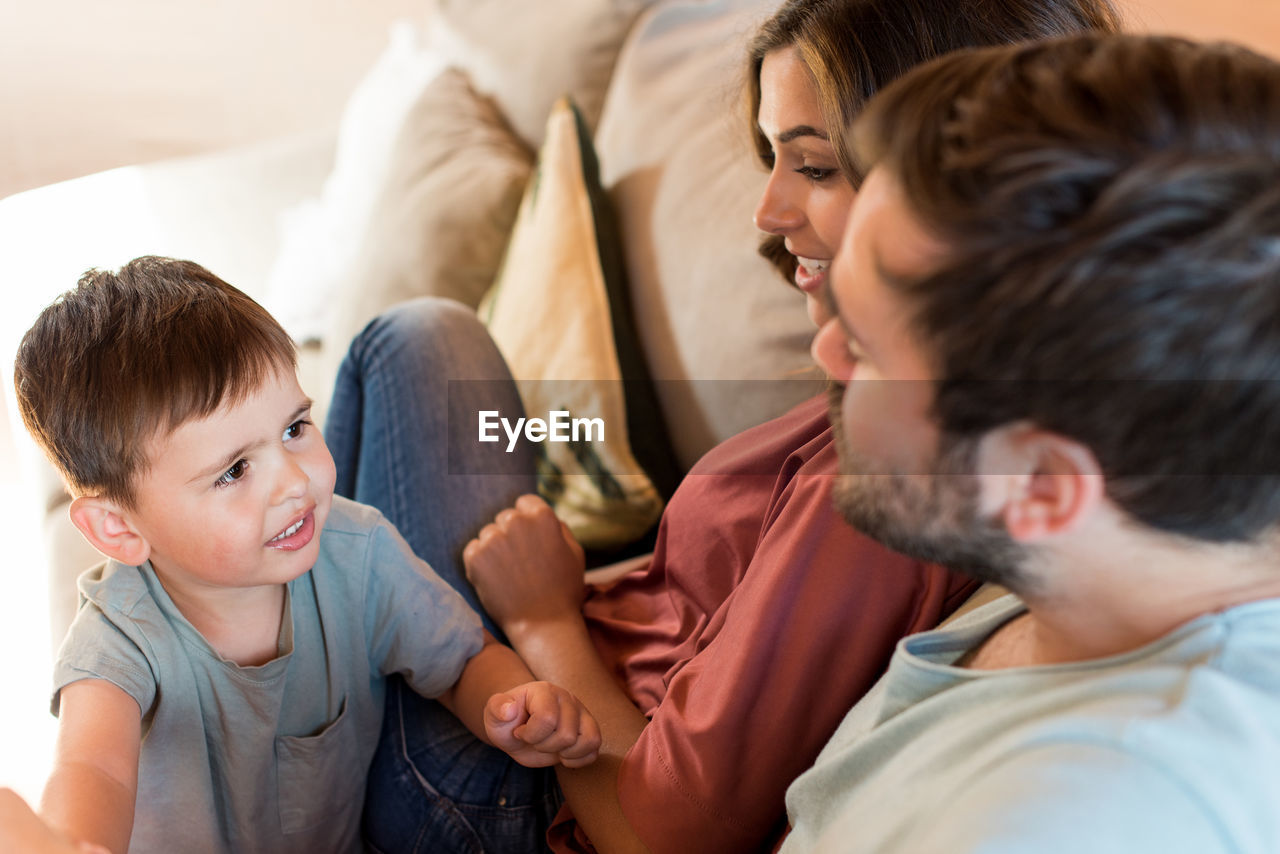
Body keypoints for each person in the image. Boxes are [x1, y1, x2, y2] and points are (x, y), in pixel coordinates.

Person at [329, 1, 1123, 852]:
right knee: (426, 396)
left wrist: (545, 619)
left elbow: (657, 831)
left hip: (511, 782)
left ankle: (292, 707)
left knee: (416, 345)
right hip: (566, 674)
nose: (768, 210)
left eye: (814, 167)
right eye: (773, 159)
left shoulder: (889, 474)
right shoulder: (910, 386)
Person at [784, 32, 1280, 852]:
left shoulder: (1080, 814)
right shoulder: (1116, 573)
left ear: (1043, 484)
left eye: (865, 348)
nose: (823, 353)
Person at [7, 257, 602, 854]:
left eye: (295, 428)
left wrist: (512, 707)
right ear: (117, 527)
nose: (296, 483)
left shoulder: (356, 549)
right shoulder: (116, 641)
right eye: (235, 470)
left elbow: (463, 661)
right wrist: (68, 842)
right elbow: (93, 769)